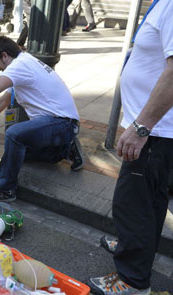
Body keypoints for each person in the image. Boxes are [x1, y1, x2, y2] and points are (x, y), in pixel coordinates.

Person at [88, 0, 173, 294]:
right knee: (149, 202)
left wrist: (142, 126)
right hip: (155, 129)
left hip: (155, 131)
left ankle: (132, 281)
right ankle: (132, 246)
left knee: (132, 204)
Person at [0, 36, 83, 202]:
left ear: (4, 55)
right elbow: (2, 101)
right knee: (18, 154)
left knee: (14, 134)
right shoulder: (24, 62)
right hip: (62, 124)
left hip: (61, 123)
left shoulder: (19, 65)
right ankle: (65, 149)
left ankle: (4, 189)